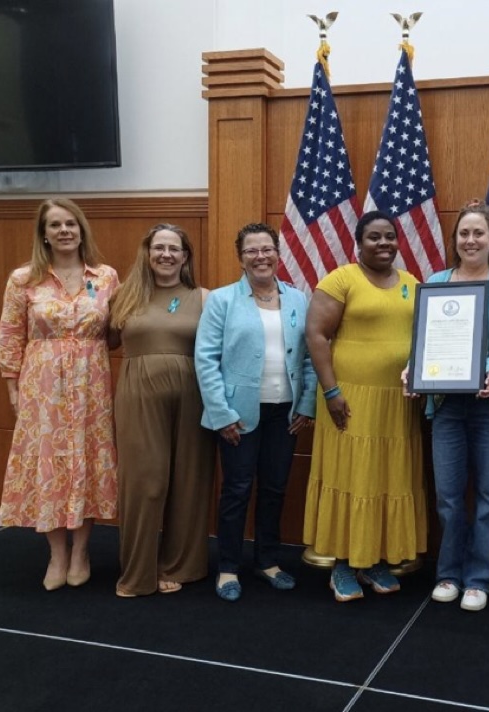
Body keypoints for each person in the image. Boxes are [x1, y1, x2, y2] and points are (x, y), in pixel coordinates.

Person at [0, 198, 119, 590]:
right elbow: (10, 333)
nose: (64, 230)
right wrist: (13, 387)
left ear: (82, 230)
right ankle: (57, 553)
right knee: (48, 462)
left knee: (87, 460)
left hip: (92, 383)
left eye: (71, 223)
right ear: (44, 235)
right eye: (55, 225)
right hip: (41, 385)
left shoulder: (105, 277)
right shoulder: (23, 279)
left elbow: (115, 330)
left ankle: (81, 550)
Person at [304, 211, 426, 602]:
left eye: (390, 236)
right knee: (352, 475)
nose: (384, 243)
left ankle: (373, 559)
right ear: (359, 243)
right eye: (374, 237)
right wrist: (330, 392)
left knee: (386, 476)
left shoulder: (411, 284)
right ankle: (343, 563)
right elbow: (316, 335)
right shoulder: (341, 280)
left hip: (397, 400)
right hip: (349, 399)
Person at [418, 200, 489, 612]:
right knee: (448, 495)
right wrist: (415, 370)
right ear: (455, 240)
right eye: (463, 233)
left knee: (487, 493)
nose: (470, 240)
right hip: (447, 404)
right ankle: (449, 573)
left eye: (478, 233)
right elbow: (424, 341)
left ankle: (479, 579)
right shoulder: (436, 281)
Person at [196, 223, 316, 602]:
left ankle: (268, 561)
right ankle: (228, 566)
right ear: (241, 257)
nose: (261, 256)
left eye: (267, 249)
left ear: (278, 254)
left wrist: (308, 404)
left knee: (275, 488)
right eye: (252, 250)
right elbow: (206, 359)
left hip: (286, 412)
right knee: (236, 490)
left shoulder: (298, 299)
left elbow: (312, 357)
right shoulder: (221, 300)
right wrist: (222, 414)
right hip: (238, 414)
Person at [110, 224, 215, 598]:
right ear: (148, 253)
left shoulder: (204, 297)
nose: (166, 254)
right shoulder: (124, 295)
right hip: (138, 395)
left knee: (189, 480)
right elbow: (99, 342)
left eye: (174, 248)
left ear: (185, 256)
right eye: (159, 248)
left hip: (193, 396)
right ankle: (137, 574)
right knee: (145, 481)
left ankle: (180, 566)